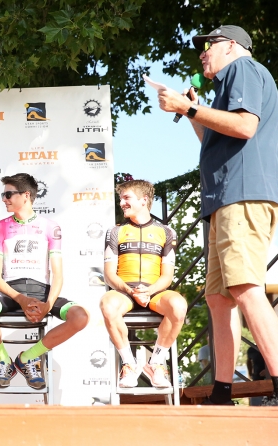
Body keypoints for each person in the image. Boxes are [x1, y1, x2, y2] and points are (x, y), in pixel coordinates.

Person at [157, 25, 278, 406]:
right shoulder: (228, 86)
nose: (202, 54)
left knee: (244, 289)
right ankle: (222, 391)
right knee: (218, 299)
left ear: (231, 45)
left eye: (208, 46)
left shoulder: (243, 69)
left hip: (241, 196)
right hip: (224, 199)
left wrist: (189, 107)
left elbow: (245, 127)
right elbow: (217, 141)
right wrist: (194, 111)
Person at [0, 173, 89, 389]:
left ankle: (28, 358)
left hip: (42, 290)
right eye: (3, 194)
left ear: (26, 195)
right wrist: (20, 299)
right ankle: (4, 360)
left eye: (8, 194)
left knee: (80, 317)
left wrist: (47, 304)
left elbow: (58, 275)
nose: (4, 199)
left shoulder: (50, 227)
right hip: (10, 292)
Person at [100, 180, 187, 388]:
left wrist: (150, 290)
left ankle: (156, 362)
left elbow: (167, 275)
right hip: (125, 292)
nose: (122, 203)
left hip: (155, 292)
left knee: (179, 306)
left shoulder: (167, 232)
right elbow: (109, 274)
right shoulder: (114, 232)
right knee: (107, 305)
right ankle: (129, 364)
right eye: (121, 199)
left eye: (127, 198)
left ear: (144, 200)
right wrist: (130, 290)